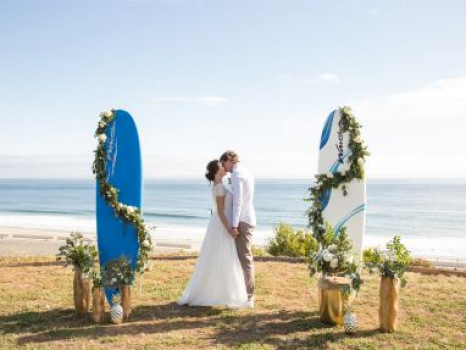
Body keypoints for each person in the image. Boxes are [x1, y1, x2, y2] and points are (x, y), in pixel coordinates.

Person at [177, 160, 249, 308]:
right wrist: (230, 229)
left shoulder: (220, 185)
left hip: (218, 224)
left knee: (219, 258)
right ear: (217, 171)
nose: (224, 167)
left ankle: (222, 293)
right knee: (224, 258)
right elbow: (221, 213)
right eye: (222, 166)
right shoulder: (219, 188)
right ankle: (224, 294)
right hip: (221, 224)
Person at [220, 150, 256, 306]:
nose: (223, 167)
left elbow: (238, 201)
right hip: (248, 218)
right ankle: (244, 293)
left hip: (243, 221)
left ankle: (249, 296)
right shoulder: (246, 171)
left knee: (245, 259)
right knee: (243, 258)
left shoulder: (237, 174)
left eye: (223, 163)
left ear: (229, 160)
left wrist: (234, 225)